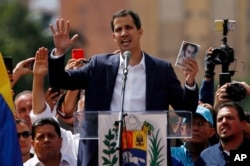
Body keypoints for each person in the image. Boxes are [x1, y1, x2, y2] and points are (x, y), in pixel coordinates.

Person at [48, 9, 199, 166]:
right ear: (113, 36)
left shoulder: (161, 69)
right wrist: (59, 52)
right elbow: (62, 81)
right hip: (104, 150)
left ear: (140, 32)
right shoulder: (98, 65)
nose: (124, 33)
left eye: (129, 27)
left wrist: (190, 82)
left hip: (146, 150)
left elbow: (186, 109)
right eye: (118, 30)